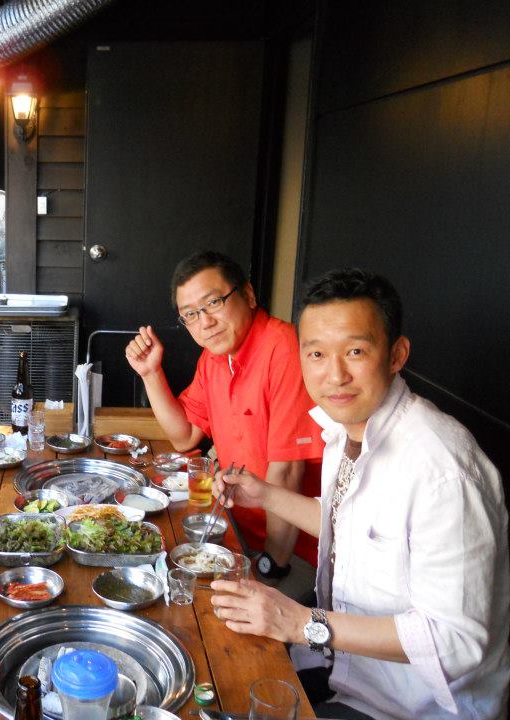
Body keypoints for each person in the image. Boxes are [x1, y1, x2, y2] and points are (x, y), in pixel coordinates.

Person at [210, 269, 509, 720]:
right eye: (316, 353)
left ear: (396, 354)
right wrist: (265, 494)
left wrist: (302, 623)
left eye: (355, 351)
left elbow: (457, 641)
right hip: (347, 669)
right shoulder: (345, 429)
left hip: (411, 707)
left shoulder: (442, 471)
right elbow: (348, 523)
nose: (335, 375)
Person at [124, 250, 323, 578]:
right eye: (191, 314)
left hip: (293, 554)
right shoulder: (215, 357)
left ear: (248, 295)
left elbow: (287, 470)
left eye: (214, 303)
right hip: (233, 530)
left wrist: (271, 568)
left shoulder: (284, 348)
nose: (205, 322)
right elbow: (185, 435)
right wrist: (150, 373)